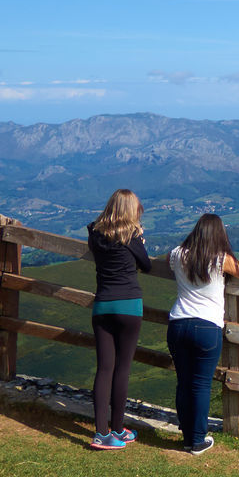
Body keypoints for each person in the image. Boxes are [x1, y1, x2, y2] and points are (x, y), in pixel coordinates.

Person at [167, 213, 239, 454]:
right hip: (206, 326)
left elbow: (164, 260)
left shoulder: (177, 254)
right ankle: (197, 440)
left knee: (183, 382)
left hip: (177, 323)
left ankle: (187, 436)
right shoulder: (220, 260)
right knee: (200, 385)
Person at [87, 189, 152, 450]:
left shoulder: (94, 232)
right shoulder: (133, 237)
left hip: (102, 305)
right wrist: (142, 244)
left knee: (104, 369)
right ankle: (117, 428)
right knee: (122, 369)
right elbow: (146, 265)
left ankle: (101, 433)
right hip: (129, 307)